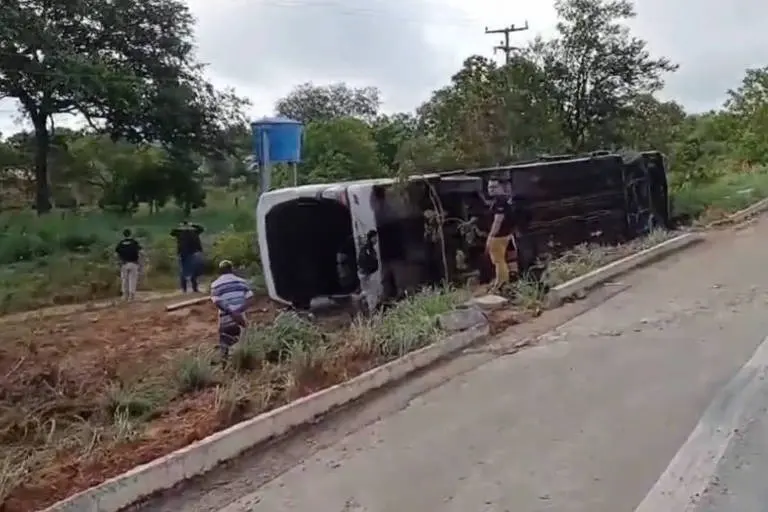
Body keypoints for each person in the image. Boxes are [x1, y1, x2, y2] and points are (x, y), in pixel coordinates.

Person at [210, 259, 255, 363]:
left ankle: (225, 365)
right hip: (241, 317)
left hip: (225, 317)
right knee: (243, 342)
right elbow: (250, 298)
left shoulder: (215, 284)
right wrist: (238, 312)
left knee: (225, 341)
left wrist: (231, 312)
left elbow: (217, 301)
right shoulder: (242, 281)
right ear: (232, 269)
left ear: (220, 271)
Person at [485, 178, 516, 289]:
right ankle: (505, 280)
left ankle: (501, 283)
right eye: (489, 187)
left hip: (499, 236)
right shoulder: (506, 199)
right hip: (507, 234)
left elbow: (498, 220)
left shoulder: (499, 201)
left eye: (494, 187)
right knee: (504, 259)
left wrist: (491, 236)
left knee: (498, 260)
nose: (491, 189)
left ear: (501, 188)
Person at [170, 220, 204, 293]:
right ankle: (185, 289)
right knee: (183, 271)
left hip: (192, 253)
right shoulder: (180, 232)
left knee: (193, 271)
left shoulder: (194, 231)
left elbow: (201, 229)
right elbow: (172, 232)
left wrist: (192, 225)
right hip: (184, 254)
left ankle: (194, 288)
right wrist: (180, 227)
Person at [356, 230, 380, 313]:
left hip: (366, 273)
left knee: (367, 291)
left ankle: (361, 304)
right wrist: (369, 271)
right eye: (375, 237)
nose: (376, 239)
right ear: (371, 238)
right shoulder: (367, 249)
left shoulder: (368, 248)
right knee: (371, 293)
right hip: (367, 274)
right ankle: (371, 310)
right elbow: (364, 261)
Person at [115, 229, 142, 301]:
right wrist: (139, 262)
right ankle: (131, 295)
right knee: (132, 279)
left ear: (123, 235)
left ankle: (124, 295)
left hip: (124, 263)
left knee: (124, 280)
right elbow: (139, 252)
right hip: (133, 263)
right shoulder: (134, 242)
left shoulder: (120, 243)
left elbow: (117, 253)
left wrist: (119, 261)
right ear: (130, 234)